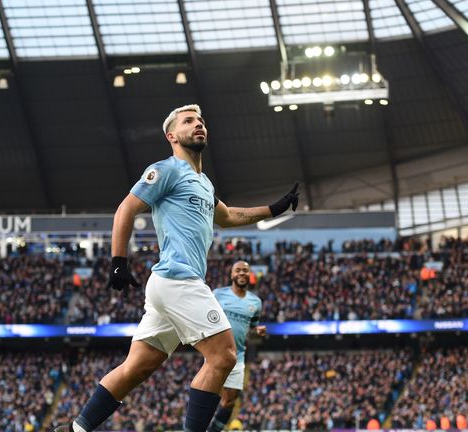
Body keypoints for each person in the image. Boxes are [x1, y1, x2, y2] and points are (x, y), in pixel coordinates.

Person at [70, 104, 298, 432]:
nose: (198, 125)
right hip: (179, 280)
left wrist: (275, 208)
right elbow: (125, 209)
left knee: (137, 367)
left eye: (201, 121)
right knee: (224, 357)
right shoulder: (166, 170)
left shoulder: (203, 183)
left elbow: (231, 216)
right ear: (172, 136)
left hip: (169, 287)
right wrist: (118, 262)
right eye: (189, 121)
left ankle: (75, 429)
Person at [207, 261, 265, 432]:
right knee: (208, 397)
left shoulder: (256, 302)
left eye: (245, 271)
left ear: (249, 275)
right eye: (238, 270)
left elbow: (252, 326)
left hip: (237, 356)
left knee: (230, 401)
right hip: (215, 354)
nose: (241, 273)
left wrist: (257, 330)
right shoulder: (218, 294)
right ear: (232, 274)